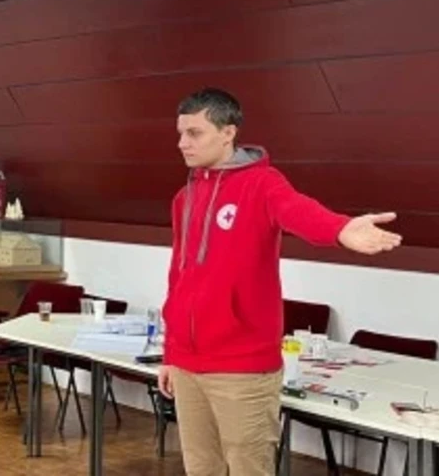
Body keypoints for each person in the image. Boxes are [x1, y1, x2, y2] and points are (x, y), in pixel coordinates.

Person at [158, 89, 402, 476]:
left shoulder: (262, 184)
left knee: (249, 470)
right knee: (200, 468)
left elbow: (297, 210)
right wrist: (171, 354)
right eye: (180, 133)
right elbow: (179, 278)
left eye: (194, 133)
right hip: (187, 366)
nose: (182, 143)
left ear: (228, 133)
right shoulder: (183, 199)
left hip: (242, 368)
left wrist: (340, 229)